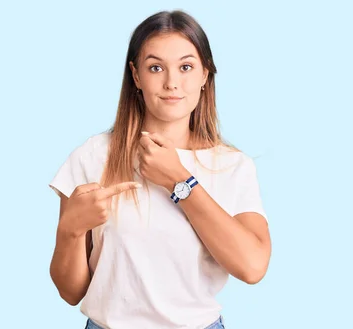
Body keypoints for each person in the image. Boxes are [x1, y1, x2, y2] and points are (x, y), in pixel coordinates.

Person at [48, 10, 271, 329]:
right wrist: (70, 230)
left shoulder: (232, 167)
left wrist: (181, 182)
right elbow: (71, 292)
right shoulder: (93, 156)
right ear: (136, 76)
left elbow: (252, 267)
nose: (171, 83)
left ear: (205, 75)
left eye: (186, 67)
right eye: (155, 68)